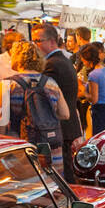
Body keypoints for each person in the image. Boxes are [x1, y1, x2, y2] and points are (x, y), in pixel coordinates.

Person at [3, 37, 69, 163]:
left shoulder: (8, 84)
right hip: (50, 145)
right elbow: (65, 114)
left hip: (20, 147)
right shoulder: (51, 83)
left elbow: (1, 122)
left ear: (16, 58)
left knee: (29, 181)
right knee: (52, 179)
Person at [36, 25, 81, 179]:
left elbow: (47, 97)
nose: (36, 44)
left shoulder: (52, 64)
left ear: (51, 41)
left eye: (38, 40)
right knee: (67, 170)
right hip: (68, 124)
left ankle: (69, 200)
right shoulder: (62, 60)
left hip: (61, 125)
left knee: (62, 174)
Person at [80, 43, 105, 136]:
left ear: (88, 59)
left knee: (100, 139)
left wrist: (84, 93)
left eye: (83, 59)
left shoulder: (93, 75)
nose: (82, 62)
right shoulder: (104, 69)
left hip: (101, 112)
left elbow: (94, 99)